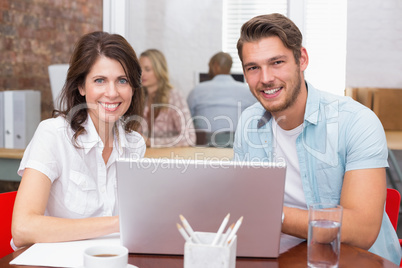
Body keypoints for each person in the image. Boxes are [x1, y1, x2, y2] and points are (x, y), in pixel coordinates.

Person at [233, 13, 401, 265]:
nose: (265, 78)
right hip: (273, 256)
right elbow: (241, 202)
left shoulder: (355, 121)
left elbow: (362, 231)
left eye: (277, 62)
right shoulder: (249, 121)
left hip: (348, 260)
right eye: (253, 68)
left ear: (301, 59)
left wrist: (271, 213)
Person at [11, 31, 146, 248]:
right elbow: (22, 229)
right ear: (81, 87)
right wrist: (116, 224)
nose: (112, 93)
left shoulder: (135, 144)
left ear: (133, 88)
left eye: (122, 80)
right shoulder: (53, 134)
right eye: (100, 80)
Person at [187, 52, 256, 147]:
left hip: (204, 147)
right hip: (238, 146)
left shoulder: (196, 91)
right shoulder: (248, 92)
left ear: (215, 66)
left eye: (209, 66)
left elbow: (186, 118)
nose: (208, 70)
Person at [139, 49, 196, 147]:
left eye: (147, 69)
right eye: (140, 69)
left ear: (159, 70)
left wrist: (151, 142)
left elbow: (189, 137)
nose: (142, 74)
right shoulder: (139, 98)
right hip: (145, 158)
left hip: (169, 158)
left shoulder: (174, 96)